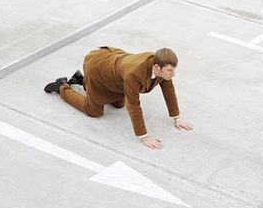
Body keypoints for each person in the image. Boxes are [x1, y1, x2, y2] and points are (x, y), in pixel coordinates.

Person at [43, 47, 193, 149]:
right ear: (157, 67)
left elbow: (169, 89)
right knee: (94, 111)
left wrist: (177, 118)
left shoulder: (160, 66)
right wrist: (144, 136)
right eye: (170, 70)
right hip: (98, 68)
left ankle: (81, 80)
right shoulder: (135, 74)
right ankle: (62, 87)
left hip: (116, 72)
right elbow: (134, 105)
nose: (173, 74)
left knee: (118, 104)